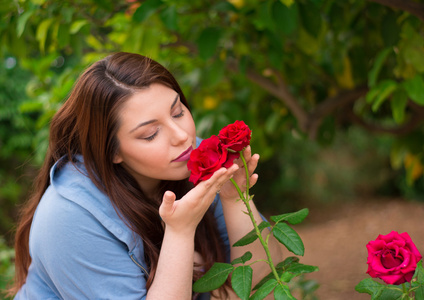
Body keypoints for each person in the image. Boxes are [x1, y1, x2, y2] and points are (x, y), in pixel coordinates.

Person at [10, 52, 282, 299]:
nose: (182, 136)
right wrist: (181, 231)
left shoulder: (191, 157)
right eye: (150, 134)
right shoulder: (69, 218)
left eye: (177, 112)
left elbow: (260, 281)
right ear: (111, 151)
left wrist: (235, 199)